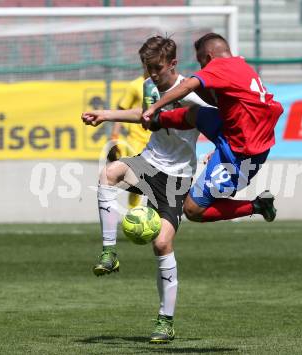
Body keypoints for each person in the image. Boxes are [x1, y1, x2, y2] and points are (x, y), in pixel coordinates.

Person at [81, 35, 209, 344]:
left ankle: (165, 321)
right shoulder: (150, 88)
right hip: (149, 162)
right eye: (147, 68)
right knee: (109, 173)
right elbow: (145, 116)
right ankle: (109, 251)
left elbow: (215, 122)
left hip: (177, 179)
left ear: (173, 64)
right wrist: (106, 115)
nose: (152, 74)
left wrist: (216, 156)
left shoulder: (192, 94)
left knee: (162, 244)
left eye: (157, 68)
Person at [142, 33, 284, 223]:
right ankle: (159, 120)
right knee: (195, 114)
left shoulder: (219, 66)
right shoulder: (239, 65)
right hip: (233, 131)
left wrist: (153, 107)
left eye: (201, 63)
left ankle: (257, 205)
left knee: (193, 210)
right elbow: (217, 101)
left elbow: (188, 86)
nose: (202, 68)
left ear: (208, 57)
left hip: (241, 154)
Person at [108, 69, 150, 209]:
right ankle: (133, 213)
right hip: (136, 140)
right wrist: (114, 136)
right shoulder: (134, 86)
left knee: (157, 180)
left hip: (156, 139)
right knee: (135, 179)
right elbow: (121, 110)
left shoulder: (162, 86)